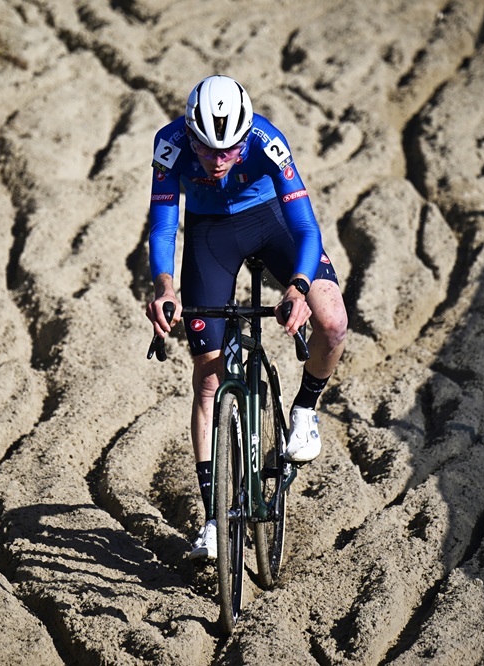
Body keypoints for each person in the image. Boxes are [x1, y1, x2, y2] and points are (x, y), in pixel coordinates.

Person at [145, 75, 348, 559]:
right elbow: (164, 225)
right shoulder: (169, 145)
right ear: (189, 135)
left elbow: (306, 226)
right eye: (206, 149)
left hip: (269, 221)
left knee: (333, 322)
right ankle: (215, 519)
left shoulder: (267, 142)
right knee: (209, 378)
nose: (217, 161)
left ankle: (304, 410)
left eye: (229, 150)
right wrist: (164, 287)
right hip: (210, 233)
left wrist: (299, 286)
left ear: (245, 138)